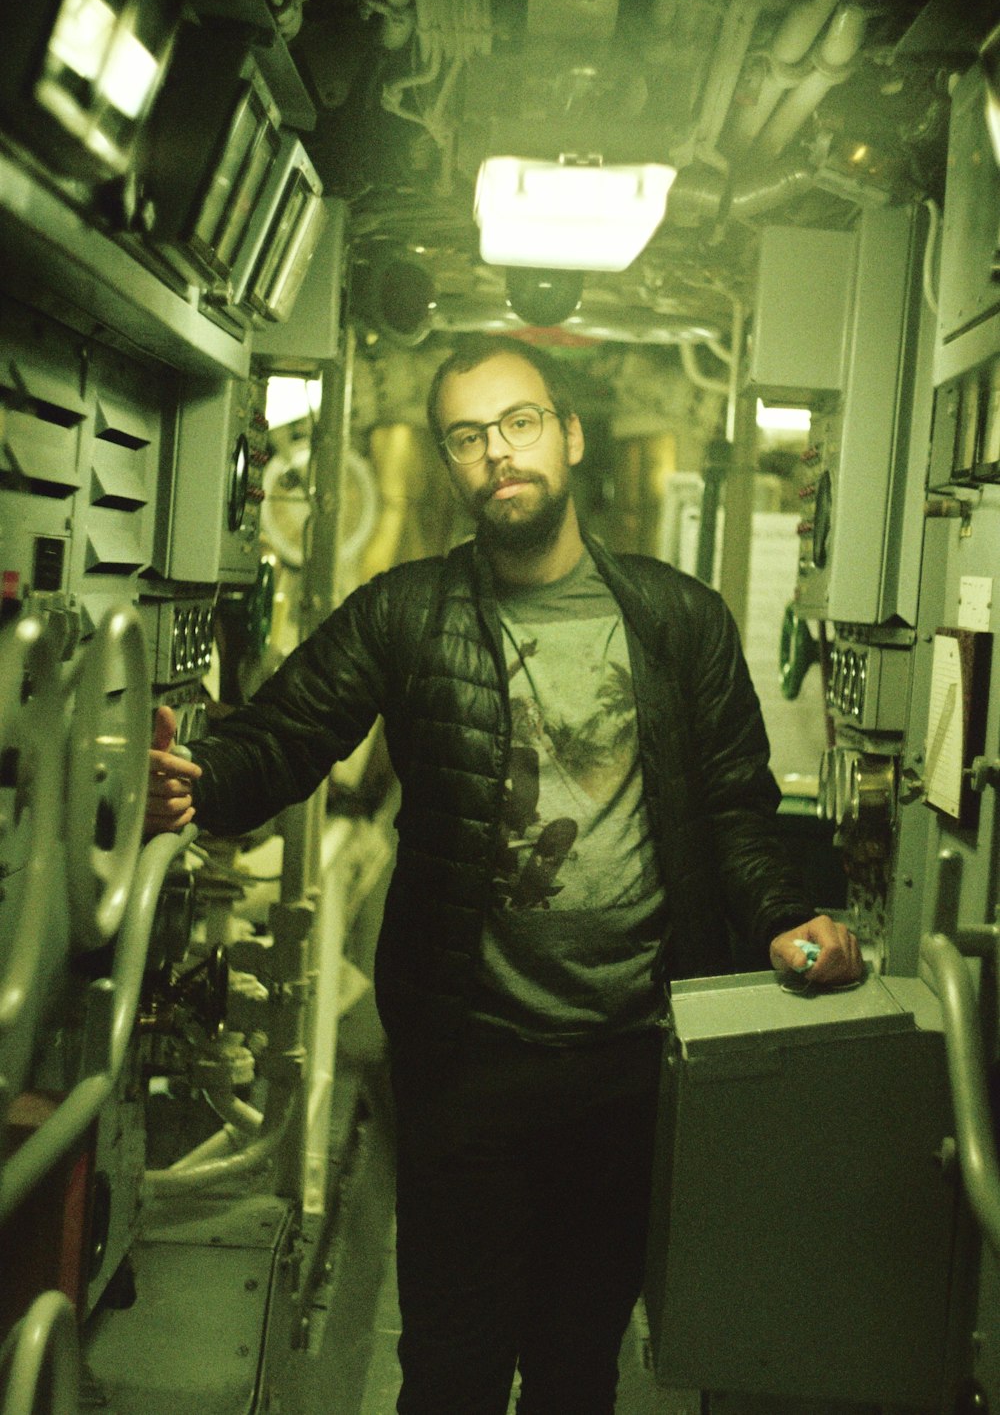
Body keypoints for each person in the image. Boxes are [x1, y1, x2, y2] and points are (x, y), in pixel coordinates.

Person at [146, 334, 863, 1415]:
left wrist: (782, 912)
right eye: (469, 436)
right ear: (451, 463)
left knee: (577, 1363)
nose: (499, 452)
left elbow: (733, 811)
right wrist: (198, 779)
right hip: (466, 1057)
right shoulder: (406, 612)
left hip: (628, 1057)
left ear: (567, 437)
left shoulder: (677, 622)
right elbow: (286, 735)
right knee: (451, 1364)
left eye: (519, 422)